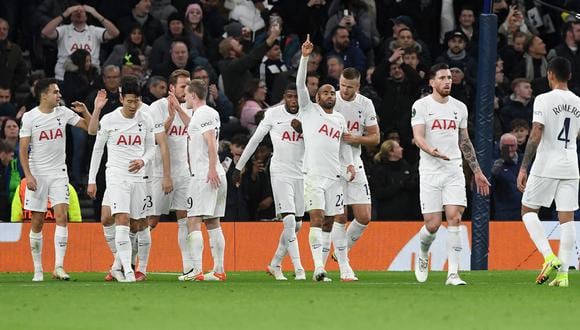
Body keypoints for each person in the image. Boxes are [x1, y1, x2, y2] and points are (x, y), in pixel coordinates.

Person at [410, 63, 490, 286]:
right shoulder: (421, 106)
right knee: (433, 224)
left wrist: (477, 171)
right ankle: (423, 252)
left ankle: (453, 273)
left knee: (454, 217)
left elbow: (465, 141)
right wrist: (430, 150)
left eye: (449, 77)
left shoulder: (459, 108)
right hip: (429, 171)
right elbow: (418, 136)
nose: (447, 81)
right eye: (442, 78)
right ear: (432, 82)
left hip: (453, 169)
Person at [20, 78, 92, 281]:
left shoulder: (63, 113)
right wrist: (28, 175)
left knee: (62, 216)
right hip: (38, 174)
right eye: (55, 92)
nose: (59, 95)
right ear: (44, 95)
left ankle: (58, 266)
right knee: (38, 220)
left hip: (59, 173)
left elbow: (91, 128)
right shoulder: (29, 117)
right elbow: (23, 149)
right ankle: (38, 269)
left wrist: (85, 111)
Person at [87, 76, 159, 283]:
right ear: (120, 98)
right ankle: (128, 271)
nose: (133, 105)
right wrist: (92, 179)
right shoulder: (109, 120)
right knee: (119, 219)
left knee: (138, 223)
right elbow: (97, 150)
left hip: (138, 177)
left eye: (136, 101)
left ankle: (119, 267)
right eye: (129, 101)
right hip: (116, 175)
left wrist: (142, 160)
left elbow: (151, 147)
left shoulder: (145, 119)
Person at [516, 57, 580, 288]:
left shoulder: (543, 99)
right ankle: (563, 276)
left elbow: (536, 132)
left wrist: (523, 167)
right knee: (567, 219)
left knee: (527, 209)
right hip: (570, 164)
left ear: (550, 74)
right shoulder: (578, 102)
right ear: (569, 76)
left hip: (546, 163)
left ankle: (548, 256)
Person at [297, 35, 356, 282]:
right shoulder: (309, 112)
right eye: (325, 92)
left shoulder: (339, 120)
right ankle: (318, 267)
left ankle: (329, 268)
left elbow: (343, 145)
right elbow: (301, 85)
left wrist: (350, 162)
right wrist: (305, 57)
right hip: (313, 175)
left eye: (332, 92)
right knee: (317, 218)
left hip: (335, 177)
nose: (330, 95)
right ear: (317, 97)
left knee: (331, 222)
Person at [233, 83, 306, 281]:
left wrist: (302, 131)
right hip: (280, 171)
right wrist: (239, 166)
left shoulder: (308, 115)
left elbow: (318, 143)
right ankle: (299, 269)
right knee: (289, 220)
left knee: (297, 225)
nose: (293, 101)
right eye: (290, 97)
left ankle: (275, 263)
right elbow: (255, 139)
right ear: (284, 97)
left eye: (296, 97)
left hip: (301, 173)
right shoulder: (273, 115)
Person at [329, 67, 379, 267]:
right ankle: (343, 263)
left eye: (349, 87)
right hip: (332, 163)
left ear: (357, 86)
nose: (344, 90)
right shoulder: (330, 99)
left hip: (355, 162)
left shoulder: (365, 104)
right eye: (342, 85)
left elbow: (375, 137)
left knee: (364, 216)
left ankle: (342, 250)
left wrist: (354, 138)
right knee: (340, 215)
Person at [145, 69, 193, 276]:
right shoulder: (155, 108)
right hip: (158, 172)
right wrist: (171, 117)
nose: (187, 90)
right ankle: (131, 264)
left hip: (183, 172)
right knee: (151, 221)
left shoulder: (192, 108)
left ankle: (188, 267)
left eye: (189, 85)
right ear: (172, 88)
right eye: (183, 86)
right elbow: (153, 138)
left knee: (184, 218)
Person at [179, 79, 227, 282]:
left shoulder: (203, 114)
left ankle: (197, 271)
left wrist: (210, 169)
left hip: (204, 175)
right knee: (213, 221)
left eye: (185, 95)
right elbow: (195, 128)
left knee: (193, 220)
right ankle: (218, 270)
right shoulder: (209, 113)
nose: (184, 98)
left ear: (193, 95)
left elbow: (209, 141)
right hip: (216, 174)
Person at [41, 4, 119, 80]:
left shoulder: (94, 31)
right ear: (70, 16)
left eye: (82, 12)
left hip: (90, 76)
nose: (79, 13)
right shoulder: (64, 30)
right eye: (75, 11)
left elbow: (115, 33)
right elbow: (45, 32)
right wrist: (64, 14)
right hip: (64, 76)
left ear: (87, 16)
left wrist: (96, 14)